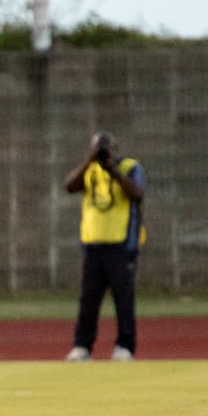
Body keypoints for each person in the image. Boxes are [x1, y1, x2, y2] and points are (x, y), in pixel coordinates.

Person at [63, 131, 147, 362]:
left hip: (121, 244)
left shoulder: (130, 167)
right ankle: (82, 346)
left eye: (104, 148)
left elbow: (137, 193)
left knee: (123, 297)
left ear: (115, 149)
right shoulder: (89, 169)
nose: (101, 152)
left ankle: (125, 346)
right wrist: (89, 160)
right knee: (88, 299)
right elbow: (69, 186)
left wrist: (113, 169)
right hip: (92, 243)